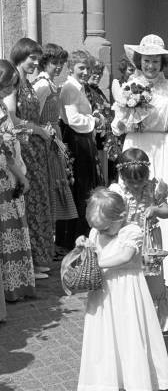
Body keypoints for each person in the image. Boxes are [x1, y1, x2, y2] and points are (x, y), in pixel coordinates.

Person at [76, 188, 168, 391]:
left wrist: (97, 263)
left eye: (105, 227)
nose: (101, 232)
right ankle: (109, 383)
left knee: (129, 335)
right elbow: (92, 250)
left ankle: (135, 385)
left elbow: (125, 256)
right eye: (96, 228)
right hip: (102, 294)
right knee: (105, 337)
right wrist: (83, 245)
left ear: (121, 217)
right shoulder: (97, 232)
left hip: (127, 292)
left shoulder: (132, 231)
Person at [112, 34, 168, 288]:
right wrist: (122, 123)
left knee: (159, 198)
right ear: (139, 61)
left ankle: (166, 268)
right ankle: (131, 261)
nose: (151, 66)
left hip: (160, 146)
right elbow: (118, 122)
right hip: (135, 143)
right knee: (131, 197)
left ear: (162, 63)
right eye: (146, 61)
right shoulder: (128, 86)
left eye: (156, 61)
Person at [109, 148, 168, 331]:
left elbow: (166, 211)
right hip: (126, 244)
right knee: (129, 280)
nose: (136, 185)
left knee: (151, 279)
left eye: (141, 180)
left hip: (150, 243)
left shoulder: (154, 187)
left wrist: (156, 209)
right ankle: (129, 321)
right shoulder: (117, 192)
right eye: (131, 181)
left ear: (148, 175)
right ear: (122, 176)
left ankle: (153, 325)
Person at [8, 38, 55, 279]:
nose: (35, 62)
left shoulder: (28, 82)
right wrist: (38, 130)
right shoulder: (14, 80)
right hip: (23, 148)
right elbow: (11, 117)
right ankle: (31, 262)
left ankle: (38, 258)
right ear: (20, 56)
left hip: (34, 148)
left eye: (38, 58)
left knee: (38, 202)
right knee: (30, 202)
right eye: (31, 58)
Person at [32, 43, 78, 259]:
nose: (58, 67)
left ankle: (49, 246)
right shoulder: (41, 85)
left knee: (57, 188)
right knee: (51, 189)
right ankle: (46, 246)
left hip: (54, 139)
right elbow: (35, 116)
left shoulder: (50, 84)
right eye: (54, 63)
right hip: (46, 141)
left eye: (61, 63)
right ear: (45, 63)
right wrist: (46, 132)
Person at [59, 49, 104, 244]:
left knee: (85, 186)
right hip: (76, 140)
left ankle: (82, 233)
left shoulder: (78, 87)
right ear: (71, 67)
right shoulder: (70, 88)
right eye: (81, 68)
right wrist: (93, 120)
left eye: (88, 68)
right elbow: (72, 118)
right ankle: (74, 237)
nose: (86, 72)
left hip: (84, 139)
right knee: (80, 187)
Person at [0, 60, 35, 303]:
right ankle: (12, 287)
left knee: (14, 230)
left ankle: (18, 285)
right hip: (5, 176)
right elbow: (5, 150)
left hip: (11, 171)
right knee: (9, 232)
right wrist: (21, 176)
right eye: (6, 86)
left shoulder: (1, 105)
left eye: (13, 86)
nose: (10, 91)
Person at [85, 58, 116, 183]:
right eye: (94, 72)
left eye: (100, 73)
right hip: (97, 141)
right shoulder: (86, 90)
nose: (97, 75)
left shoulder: (97, 90)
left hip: (107, 141)